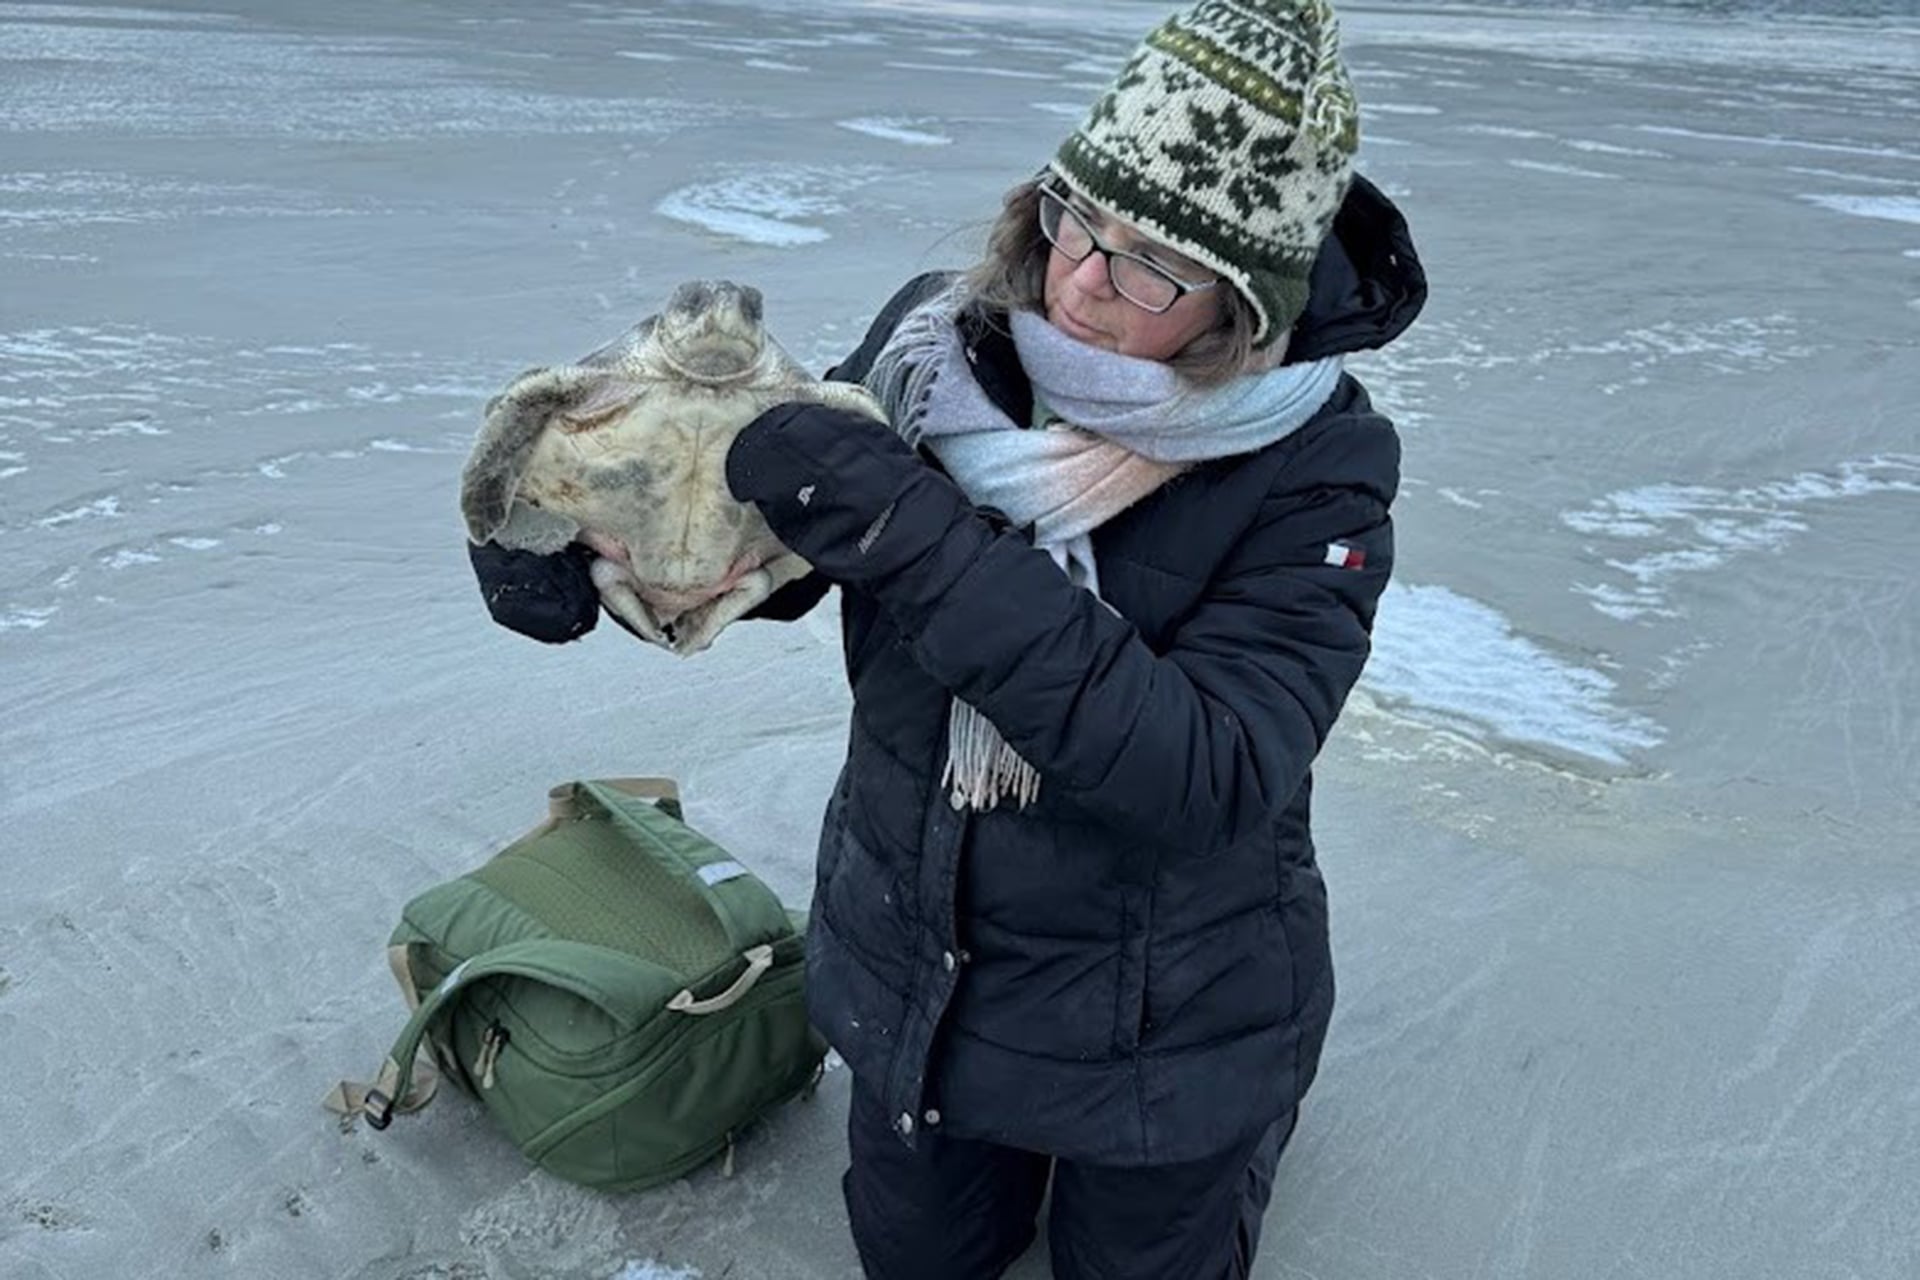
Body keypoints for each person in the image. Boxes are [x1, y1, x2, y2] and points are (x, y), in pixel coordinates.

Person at [468, 0, 1425, 1274]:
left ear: (1242, 305)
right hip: (922, 964)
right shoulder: (943, 344)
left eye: (1152, 264)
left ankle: (1244, 1124)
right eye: (1075, 215)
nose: (1083, 275)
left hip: (1169, 1011)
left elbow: (1209, 773)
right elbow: (786, 554)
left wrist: (917, 528)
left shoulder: (1319, 460)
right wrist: (564, 540)